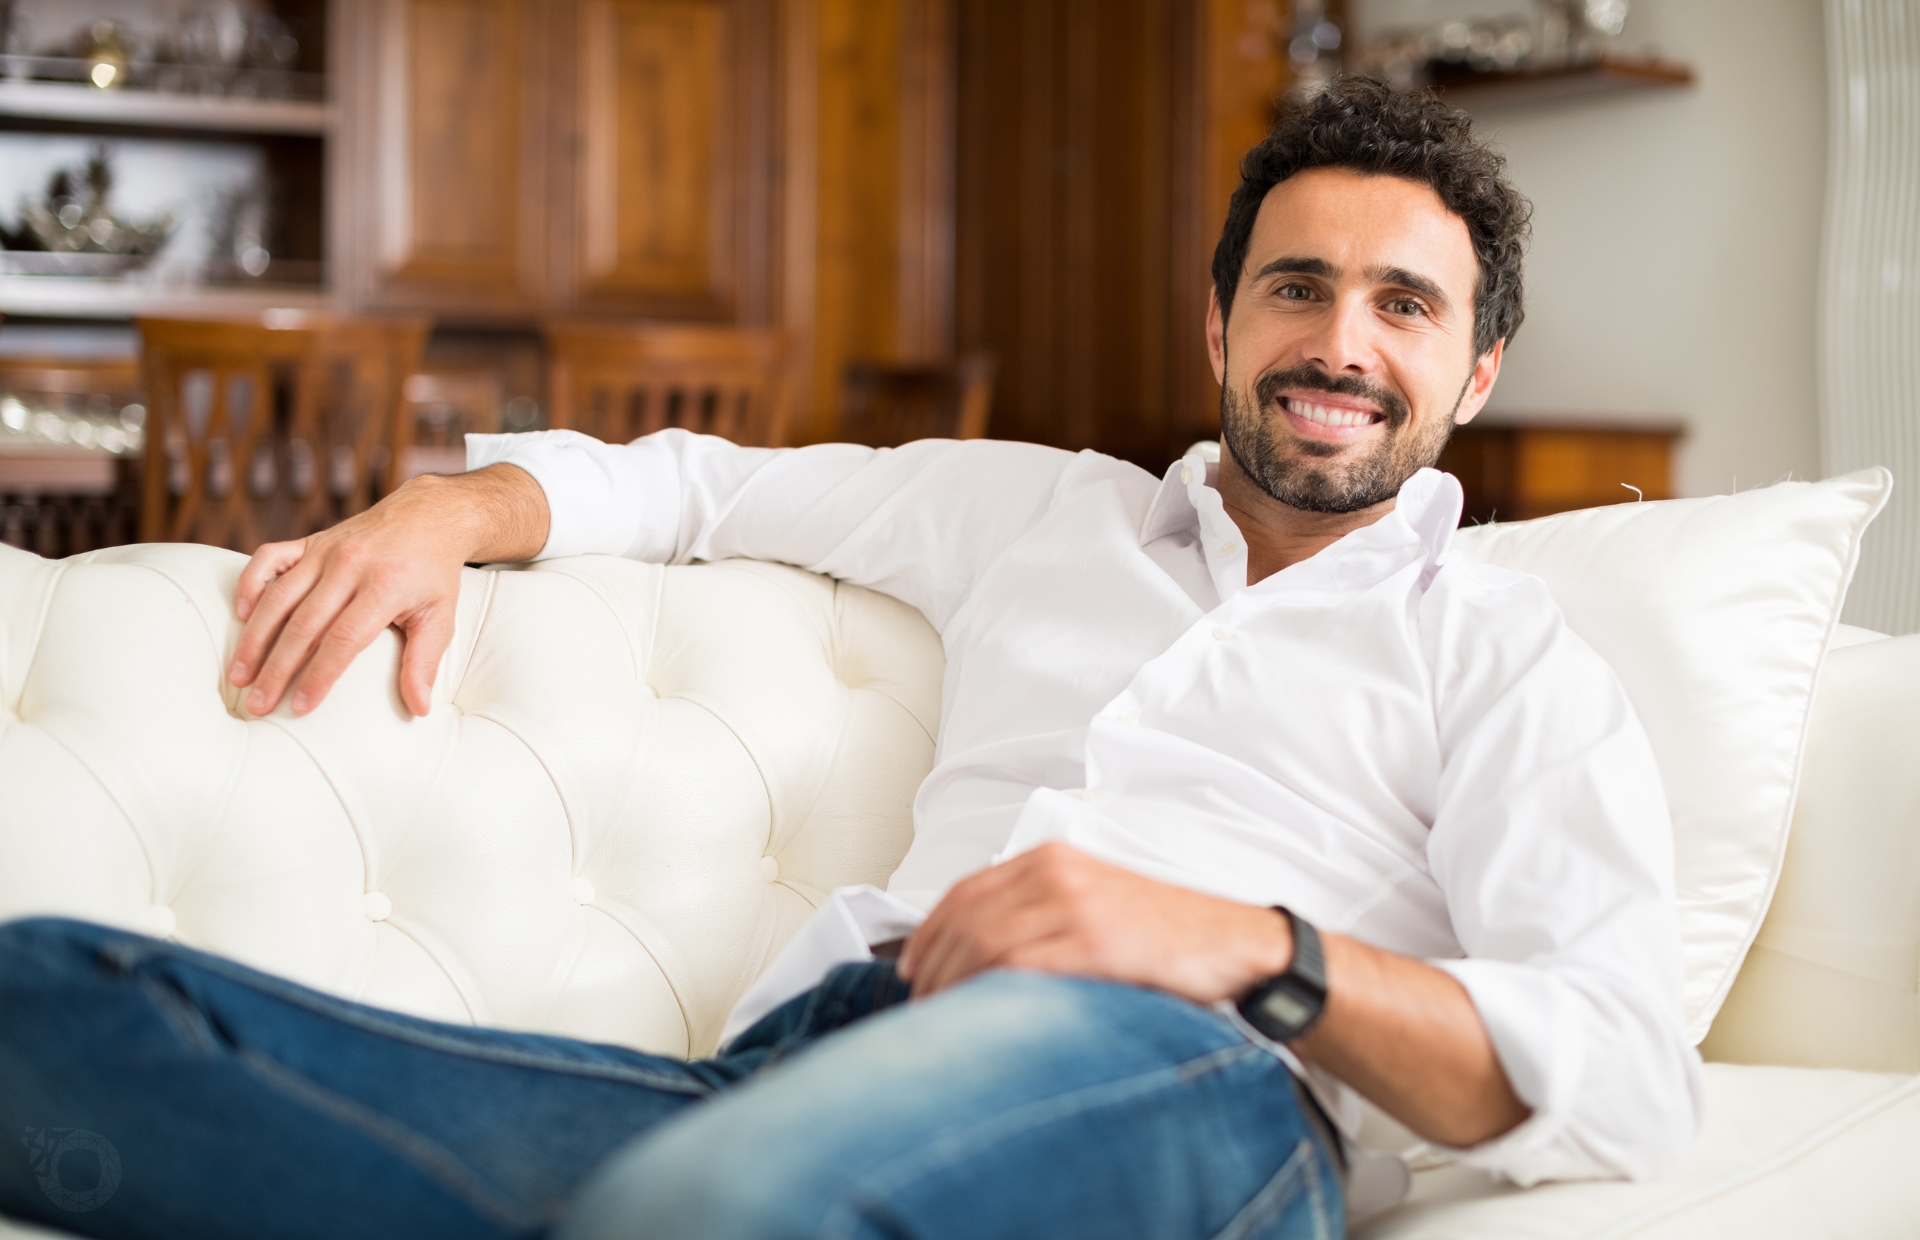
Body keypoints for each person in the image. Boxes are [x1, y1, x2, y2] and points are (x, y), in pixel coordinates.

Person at [0, 78, 1701, 1240]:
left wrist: (1242, 947)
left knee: (721, 1210)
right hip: (796, 1061)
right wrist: (448, 512)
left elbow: (1621, 1065)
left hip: (1188, 1084)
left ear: (1476, 371)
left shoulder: (1503, 655)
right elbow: (701, 480)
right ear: (1219, 325)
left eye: (1405, 305)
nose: (1340, 341)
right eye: (1299, 287)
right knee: (48, 1004)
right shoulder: (1041, 514)